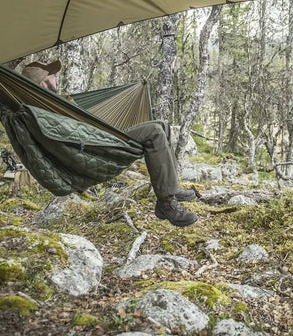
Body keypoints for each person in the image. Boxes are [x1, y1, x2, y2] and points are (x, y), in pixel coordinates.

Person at [22, 60, 198, 227]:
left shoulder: (55, 102)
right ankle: (166, 203)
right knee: (155, 132)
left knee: (161, 125)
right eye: (51, 75)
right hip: (96, 147)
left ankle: (171, 188)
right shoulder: (44, 109)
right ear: (42, 84)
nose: (56, 77)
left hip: (99, 138)